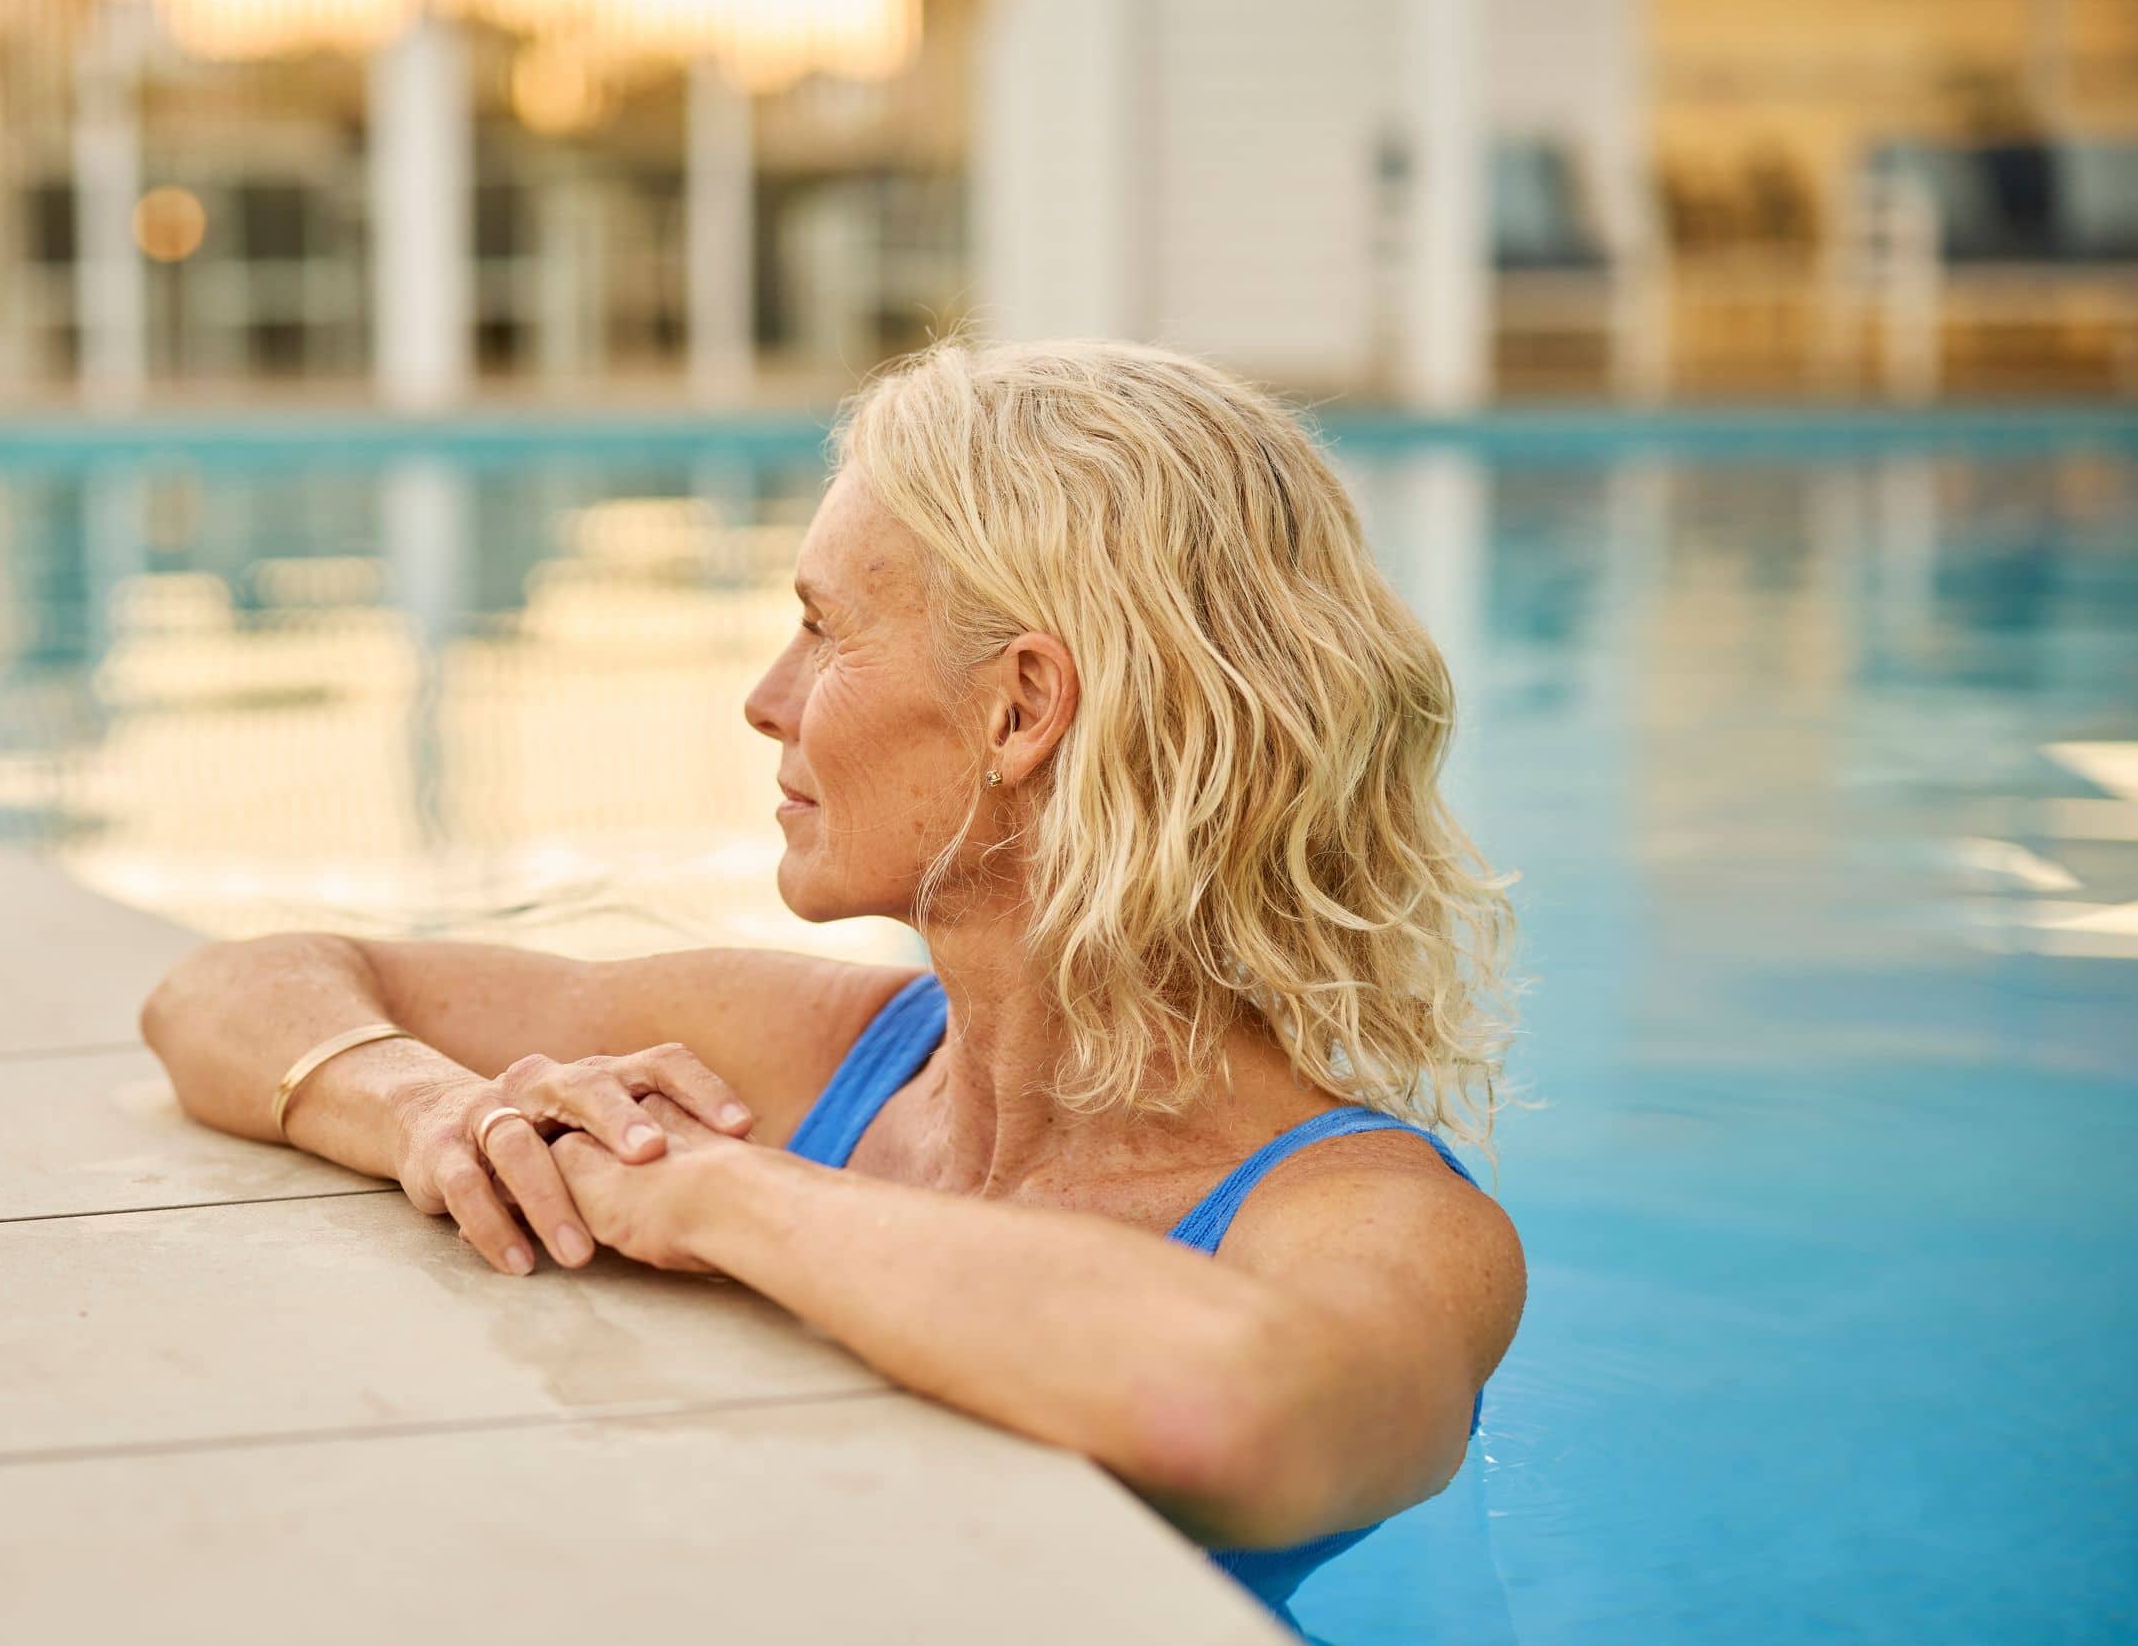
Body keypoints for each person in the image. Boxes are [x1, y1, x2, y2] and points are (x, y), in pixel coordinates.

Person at [142, 337, 1526, 1628]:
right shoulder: (811, 1051)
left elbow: (1232, 1408)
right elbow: (228, 991)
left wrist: (721, 1194)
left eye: (821, 629)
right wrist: (435, 1118)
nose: (766, 695)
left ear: (1021, 709)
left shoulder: (1380, 1223)